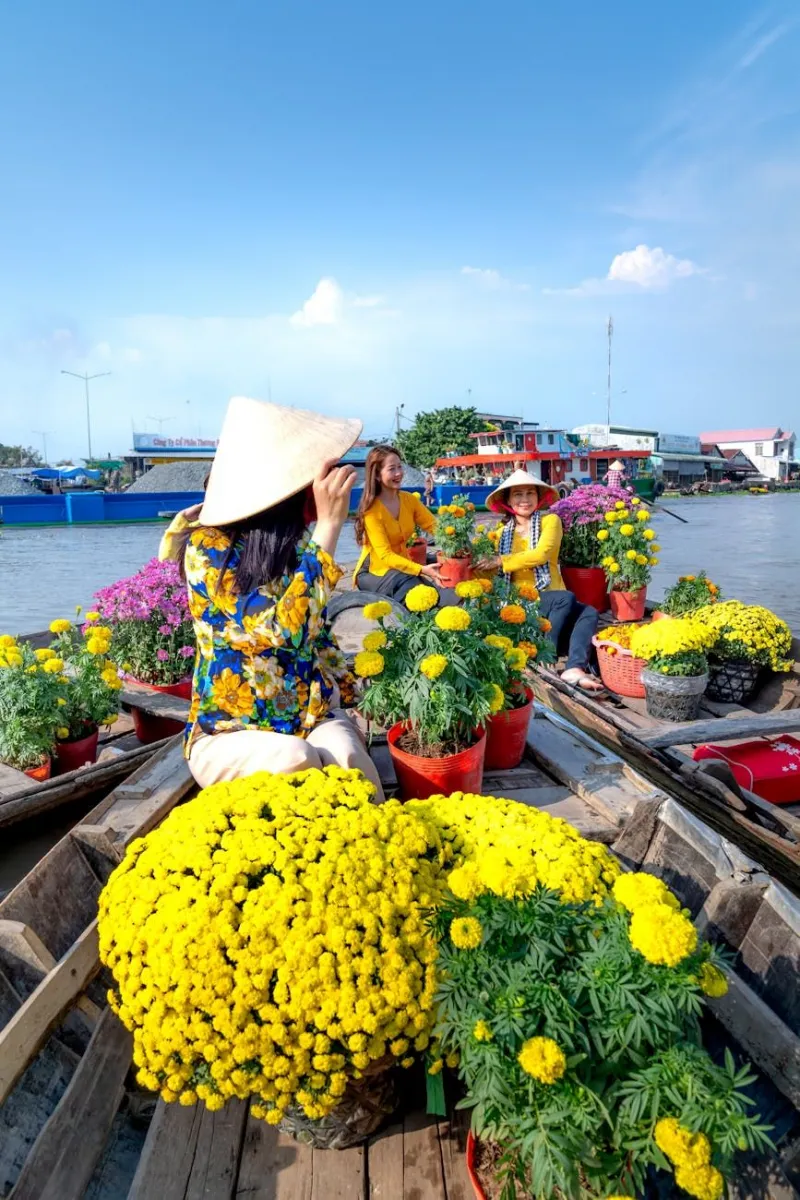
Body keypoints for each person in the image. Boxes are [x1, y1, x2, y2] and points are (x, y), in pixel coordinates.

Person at [162, 395, 384, 796]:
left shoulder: (294, 547)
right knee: (294, 758)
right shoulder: (209, 548)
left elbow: (316, 640)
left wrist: (375, 693)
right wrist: (330, 527)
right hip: (229, 731)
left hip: (306, 716)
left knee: (351, 765)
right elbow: (281, 631)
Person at [480, 468, 603, 692]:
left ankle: (573, 667)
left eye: (530, 493)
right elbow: (490, 571)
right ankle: (546, 657)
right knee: (566, 599)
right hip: (520, 604)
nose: (524, 500)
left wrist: (500, 560)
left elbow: (541, 554)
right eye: (517, 494)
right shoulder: (500, 533)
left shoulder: (550, 522)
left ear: (539, 497)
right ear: (508, 500)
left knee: (589, 612)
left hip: (553, 599)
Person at [353, 444, 459, 605]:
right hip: (375, 572)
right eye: (391, 469)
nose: (398, 473)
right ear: (376, 475)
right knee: (416, 590)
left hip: (403, 567)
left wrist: (456, 543)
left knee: (438, 591)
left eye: (399, 467)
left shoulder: (409, 500)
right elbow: (386, 556)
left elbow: (433, 525)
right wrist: (422, 569)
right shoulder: (372, 512)